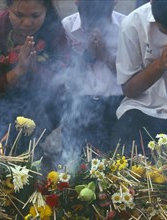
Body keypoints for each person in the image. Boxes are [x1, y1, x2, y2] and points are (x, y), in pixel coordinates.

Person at [110, 0, 167, 158]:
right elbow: (129, 89)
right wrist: (159, 65)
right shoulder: (133, 24)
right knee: (124, 155)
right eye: (165, 31)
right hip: (143, 108)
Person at [0, 0, 70, 153]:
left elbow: (64, 81)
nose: (26, 23)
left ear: (46, 11)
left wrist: (36, 70)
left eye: (35, 15)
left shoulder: (54, 30)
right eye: (19, 15)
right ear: (8, 8)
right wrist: (15, 73)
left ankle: (30, 144)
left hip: (41, 103)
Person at [58, 0, 125, 158]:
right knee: (73, 158)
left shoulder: (125, 26)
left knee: (114, 158)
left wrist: (105, 55)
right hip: (80, 100)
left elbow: (132, 76)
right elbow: (66, 75)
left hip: (116, 100)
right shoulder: (67, 26)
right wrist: (87, 55)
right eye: (89, 22)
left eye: (102, 22)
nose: (95, 28)